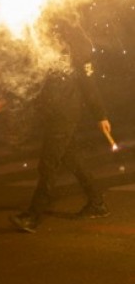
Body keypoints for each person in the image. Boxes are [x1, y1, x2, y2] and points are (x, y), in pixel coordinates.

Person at [9, 17, 111, 233]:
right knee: (73, 159)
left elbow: (88, 84)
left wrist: (101, 115)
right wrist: (10, 97)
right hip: (52, 112)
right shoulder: (45, 43)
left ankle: (33, 216)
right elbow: (35, 78)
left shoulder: (79, 48)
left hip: (65, 113)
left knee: (48, 164)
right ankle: (97, 202)